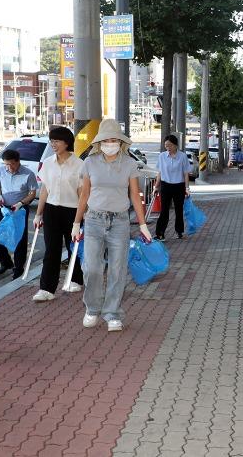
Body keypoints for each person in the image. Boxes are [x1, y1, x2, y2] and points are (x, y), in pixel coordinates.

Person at [72, 119, 152, 332]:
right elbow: (84, 194)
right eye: (106, 140)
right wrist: (76, 222)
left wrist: (143, 224)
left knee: (117, 269)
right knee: (92, 268)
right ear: (99, 142)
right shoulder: (90, 162)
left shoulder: (129, 164)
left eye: (114, 140)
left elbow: (134, 194)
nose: (110, 143)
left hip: (119, 221)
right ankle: (92, 309)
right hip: (94, 220)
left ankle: (112, 313)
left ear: (120, 142)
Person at [31, 127, 84, 302]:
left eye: (57, 141)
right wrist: (38, 214)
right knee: (51, 250)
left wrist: (81, 218)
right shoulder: (47, 163)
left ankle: (76, 279)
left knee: (73, 247)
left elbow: (82, 193)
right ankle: (46, 288)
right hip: (51, 210)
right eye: (51, 141)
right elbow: (44, 189)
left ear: (66, 143)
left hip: (72, 211)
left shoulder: (79, 164)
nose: (53, 144)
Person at [0, 149, 38, 279]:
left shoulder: (28, 174)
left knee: (19, 240)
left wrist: (21, 203)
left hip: (19, 209)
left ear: (18, 162)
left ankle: (18, 268)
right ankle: (6, 263)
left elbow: (32, 193)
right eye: (6, 164)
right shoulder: (1, 171)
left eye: (11, 164)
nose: (9, 167)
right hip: (3, 208)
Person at [153, 134, 191, 241]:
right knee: (164, 210)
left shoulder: (182, 156)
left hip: (179, 186)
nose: (167, 147)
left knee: (179, 210)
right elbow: (159, 172)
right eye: (166, 145)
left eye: (169, 145)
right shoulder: (162, 156)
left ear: (175, 145)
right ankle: (160, 234)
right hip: (165, 186)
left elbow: (186, 174)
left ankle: (179, 231)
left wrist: (187, 188)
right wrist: (156, 186)